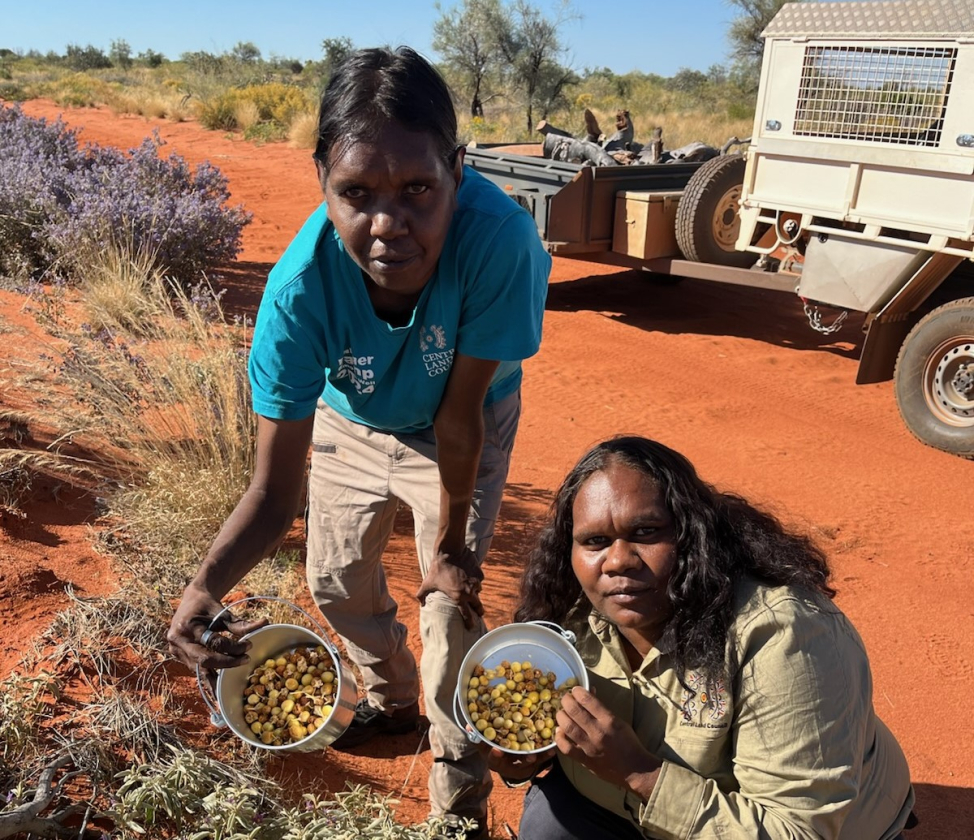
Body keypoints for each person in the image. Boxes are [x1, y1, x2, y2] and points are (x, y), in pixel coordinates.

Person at [166, 46, 550, 840]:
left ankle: (457, 808)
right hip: (353, 418)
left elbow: (459, 416)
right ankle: (392, 697)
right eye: (356, 194)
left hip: (461, 421)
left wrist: (448, 546)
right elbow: (275, 492)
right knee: (337, 581)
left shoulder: (501, 242)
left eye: (418, 189)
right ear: (321, 180)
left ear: (457, 165)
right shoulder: (299, 292)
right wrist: (203, 587)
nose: (388, 224)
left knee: (451, 615)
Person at [489, 436, 916, 840]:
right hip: (627, 811)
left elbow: (796, 831)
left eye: (646, 532)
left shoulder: (785, 636)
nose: (618, 560)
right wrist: (524, 759)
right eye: (595, 541)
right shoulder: (571, 617)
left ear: (694, 535)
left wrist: (638, 772)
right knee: (551, 822)